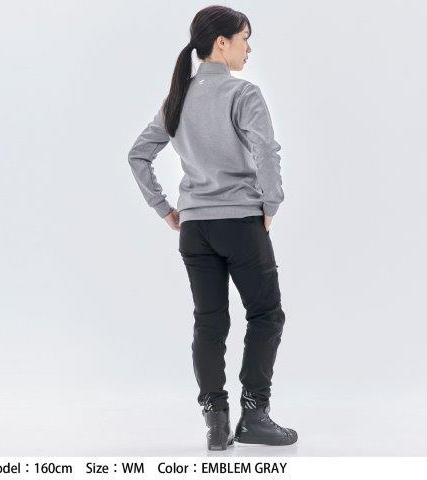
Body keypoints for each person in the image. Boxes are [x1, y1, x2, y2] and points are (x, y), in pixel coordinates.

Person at [127, 5, 297, 450]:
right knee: (266, 314)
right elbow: (266, 151)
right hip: (240, 223)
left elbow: (138, 155)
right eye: (244, 38)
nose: (248, 48)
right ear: (222, 43)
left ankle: (216, 422)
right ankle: (254, 415)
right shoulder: (244, 94)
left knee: (209, 321)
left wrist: (166, 210)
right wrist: (271, 203)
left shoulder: (177, 98)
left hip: (195, 229)